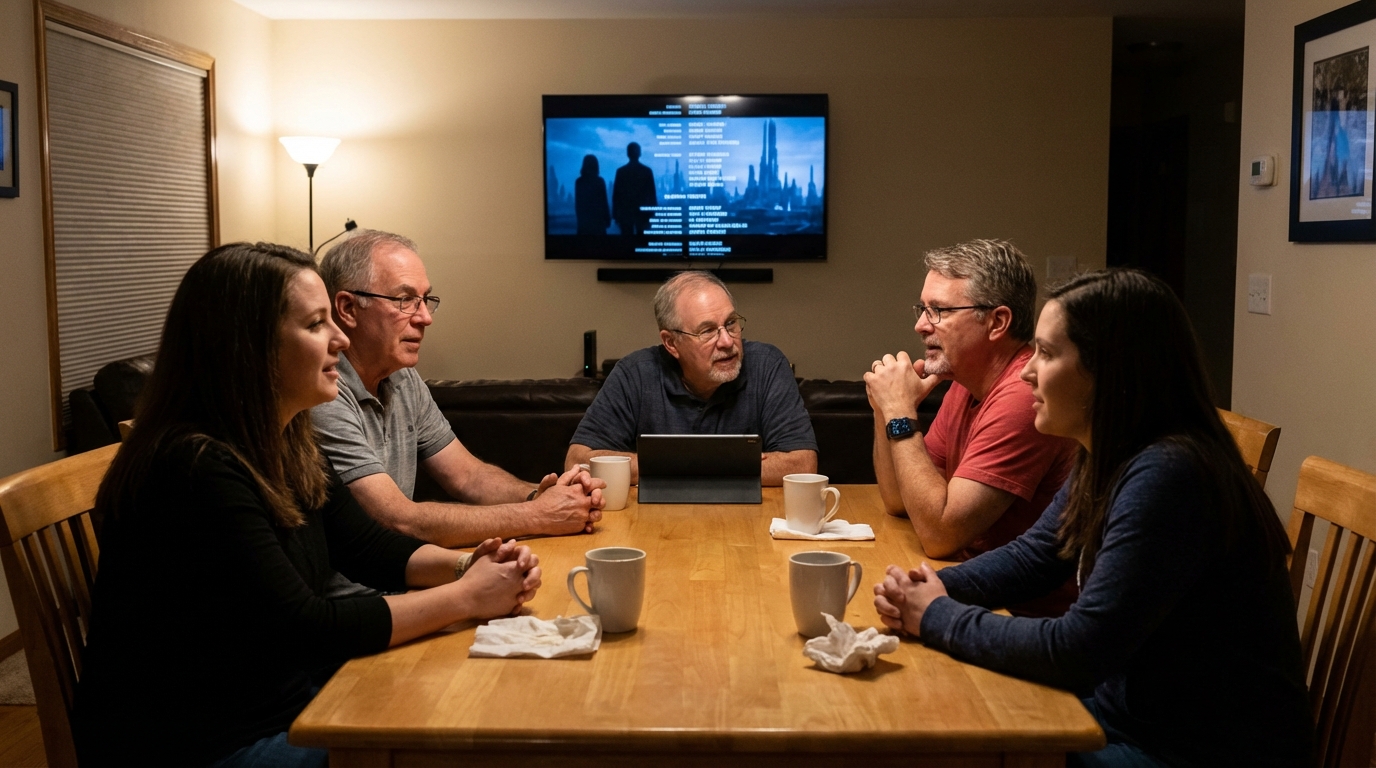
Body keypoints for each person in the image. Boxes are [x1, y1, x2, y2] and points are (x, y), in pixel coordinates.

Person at [73, 243, 542, 768]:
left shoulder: (284, 437)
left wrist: (466, 565)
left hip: (284, 701)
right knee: (460, 742)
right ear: (249, 346)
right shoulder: (194, 467)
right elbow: (308, 628)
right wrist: (466, 597)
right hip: (204, 744)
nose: (341, 338)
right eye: (317, 324)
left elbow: (366, 545)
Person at [873, 268, 1313, 768]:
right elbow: (1038, 556)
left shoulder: (1169, 474)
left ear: (1109, 370)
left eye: (1048, 353)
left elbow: (1078, 649)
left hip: (1194, 750)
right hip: (1131, 715)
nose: (1026, 372)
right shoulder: (1113, 449)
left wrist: (934, 614)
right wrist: (930, 587)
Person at [312, 230, 603, 550]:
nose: (424, 318)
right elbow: (397, 519)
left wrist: (543, 495)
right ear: (348, 308)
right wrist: (538, 514)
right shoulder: (322, 392)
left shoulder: (403, 378)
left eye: (425, 300)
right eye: (405, 300)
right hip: (356, 590)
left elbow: (468, 476)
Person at [866, 239, 1077, 616]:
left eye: (938, 311)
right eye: (922, 308)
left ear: (997, 322)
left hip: (1025, 615)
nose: (919, 325)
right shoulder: (966, 384)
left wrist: (899, 411)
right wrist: (885, 411)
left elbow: (939, 534)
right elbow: (900, 501)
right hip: (975, 588)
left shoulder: (1022, 397)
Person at [566, 270, 817, 485]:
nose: (728, 341)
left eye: (731, 323)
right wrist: (731, 463)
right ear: (671, 343)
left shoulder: (767, 365)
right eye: (707, 331)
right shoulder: (635, 373)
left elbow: (802, 465)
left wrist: (669, 465)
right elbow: (577, 460)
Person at [611, 141, 656, 236]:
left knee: (627, 243)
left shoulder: (621, 172)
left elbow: (616, 195)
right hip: (642, 213)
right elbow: (652, 194)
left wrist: (615, 214)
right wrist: (652, 213)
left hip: (625, 212)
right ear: (640, 153)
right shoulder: (647, 171)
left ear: (627, 153)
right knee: (642, 242)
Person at [575, 154, 611, 235]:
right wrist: (607, 219)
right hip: (599, 222)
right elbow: (604, 203)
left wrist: (580, 220)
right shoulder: (600, 181)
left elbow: (578, 204)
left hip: (584, 223)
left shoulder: (579, 182)